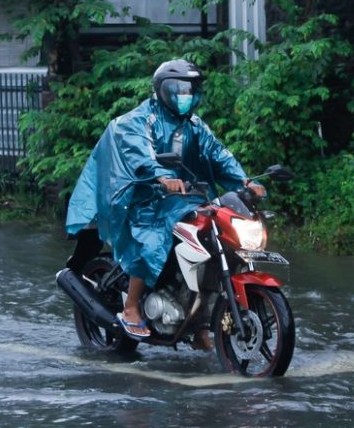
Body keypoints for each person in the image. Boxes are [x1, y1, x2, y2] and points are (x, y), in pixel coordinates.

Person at [65, 59, 265, 350]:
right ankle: (132, 306)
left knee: (214, 240)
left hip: (183, 198)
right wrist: (161, 176)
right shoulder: (139, 119)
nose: (185, 95)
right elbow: (138, 150)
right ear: (162, 90)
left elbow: (218, 154)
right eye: (178, 89)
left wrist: (244, 182)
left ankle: (198, 322)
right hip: (141, 198)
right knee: (154, 237)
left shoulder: (195, 125)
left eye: (191, 89)